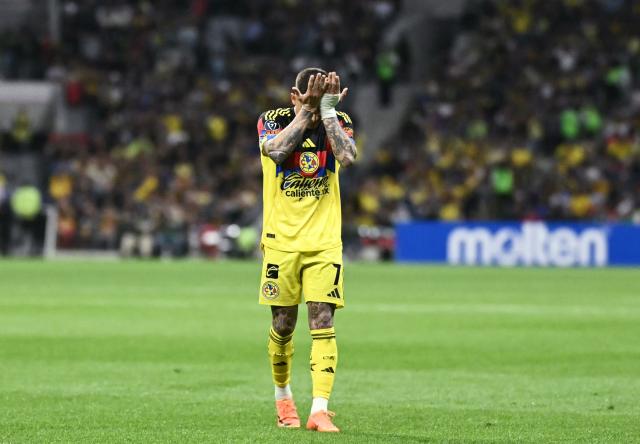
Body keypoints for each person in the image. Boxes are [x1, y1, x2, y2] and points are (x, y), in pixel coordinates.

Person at [256, 68, 357, 433]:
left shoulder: (338, 120)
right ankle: (283, 397)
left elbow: (347, 157)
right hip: (281, 243)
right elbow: (278, 150)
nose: (312, 105)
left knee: (323, 321)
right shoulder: (271, 120)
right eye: (306, 97)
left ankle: (319, 409)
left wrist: (327, 112)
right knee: (282, 325)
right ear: (293, 95)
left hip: (323, 244)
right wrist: (306, 112)